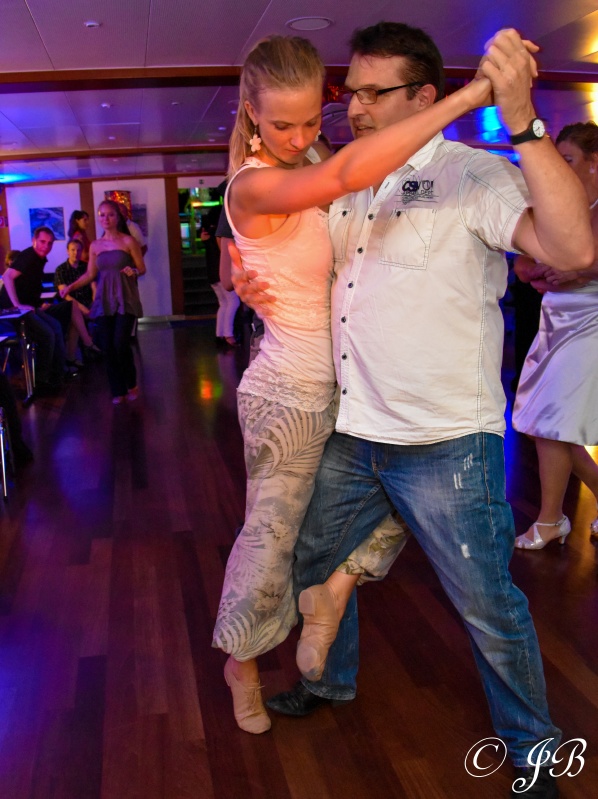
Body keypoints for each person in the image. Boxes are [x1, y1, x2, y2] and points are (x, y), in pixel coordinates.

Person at [233, 23, 593, 798]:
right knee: (315, 556)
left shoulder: (475, 173)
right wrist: (245, 276)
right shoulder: (345, 175)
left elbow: (572, 251)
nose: (355, 108)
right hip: (351, 424)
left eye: (374, 93)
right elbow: (287, 252)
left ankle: (534, 750)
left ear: (425, 95)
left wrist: (525, 122)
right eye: (352, 92)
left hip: (445, 441)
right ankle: (329, 680)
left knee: (487, 603)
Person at [210, 30, 501, 737]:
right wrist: (467, 98)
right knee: (272, 539)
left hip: (353, 383)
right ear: (250, 115)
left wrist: (245, 273)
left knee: (407, 488)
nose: (300, 137)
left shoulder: (313, 157)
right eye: (282, 124)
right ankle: (243, 666)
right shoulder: (251, 182)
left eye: (313, 119)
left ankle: (333, 590)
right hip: (288, 395)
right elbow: (344, 177)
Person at [512, 121, 598, 550]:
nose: (560, 167)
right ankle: (553, 518)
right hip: (554, 319)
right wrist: (543, 270)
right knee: (543, 424)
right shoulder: (557, 204)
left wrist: (580, 271)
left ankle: (550, 520)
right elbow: (522, 264)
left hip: (591, 320)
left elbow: (585, 264)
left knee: (551, 421)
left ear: (594, 163)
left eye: (568, 159)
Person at [59, 200, 145, 404]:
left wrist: (133, 270)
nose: (106, 219)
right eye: (102, 215)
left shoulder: (128, 241)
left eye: (110, 214)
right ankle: (118, 390)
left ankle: (131, 383)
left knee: (120, 343)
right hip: (104, 299)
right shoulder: (96, 246)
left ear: (117, 217)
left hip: (125, 297)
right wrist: (70, 287)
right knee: (107, 345)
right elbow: (90, 274)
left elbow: (142, 268)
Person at [0, 227, 70, 394]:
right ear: (34, 241)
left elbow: (28, 286)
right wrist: (17, 304)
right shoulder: (29, 256)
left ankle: (57, 374)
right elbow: (8, 276)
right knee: (48, 334)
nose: (46, 246)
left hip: (26, 307)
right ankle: (41, 381)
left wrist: (36, 304)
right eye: (42, 242)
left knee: (56, 327)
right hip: (12, 310)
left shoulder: (38, 259)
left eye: (49, 243)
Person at [54, 239, 102, 365]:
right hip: (72, 305)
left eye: (78, 250)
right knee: (75, 315)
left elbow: (94, 287)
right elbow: (65, 295)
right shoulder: (61, 270)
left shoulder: (86, 267)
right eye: (73, 250)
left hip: (88, 302)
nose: (76, 253)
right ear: (67, 251)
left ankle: (71, 357)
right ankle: (86, 345)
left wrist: (94, 304)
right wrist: (83, 309)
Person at [204, 208, 240, 347]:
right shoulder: (221, 234)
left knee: (224, 303)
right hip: (221, 273)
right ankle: (228, 335)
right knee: (233, 302)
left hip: (212, 274)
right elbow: (225, 254)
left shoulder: (207, 233)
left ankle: (220, 334)